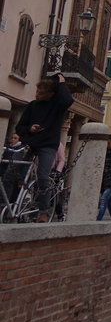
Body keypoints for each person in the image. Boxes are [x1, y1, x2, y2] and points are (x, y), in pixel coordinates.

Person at [14, 72, 74, 223]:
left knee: (42, 176)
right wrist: (30, 129)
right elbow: (19, 127)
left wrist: (61, 83)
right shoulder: (32, 106)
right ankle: (8, 204)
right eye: (37, 92)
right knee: (12, 172)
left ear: (51, 94)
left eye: (41, 93)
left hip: (48, 145)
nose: (37, 95)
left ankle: (43, 211)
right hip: (31, 143)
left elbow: (68, 100)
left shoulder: (58, 106)